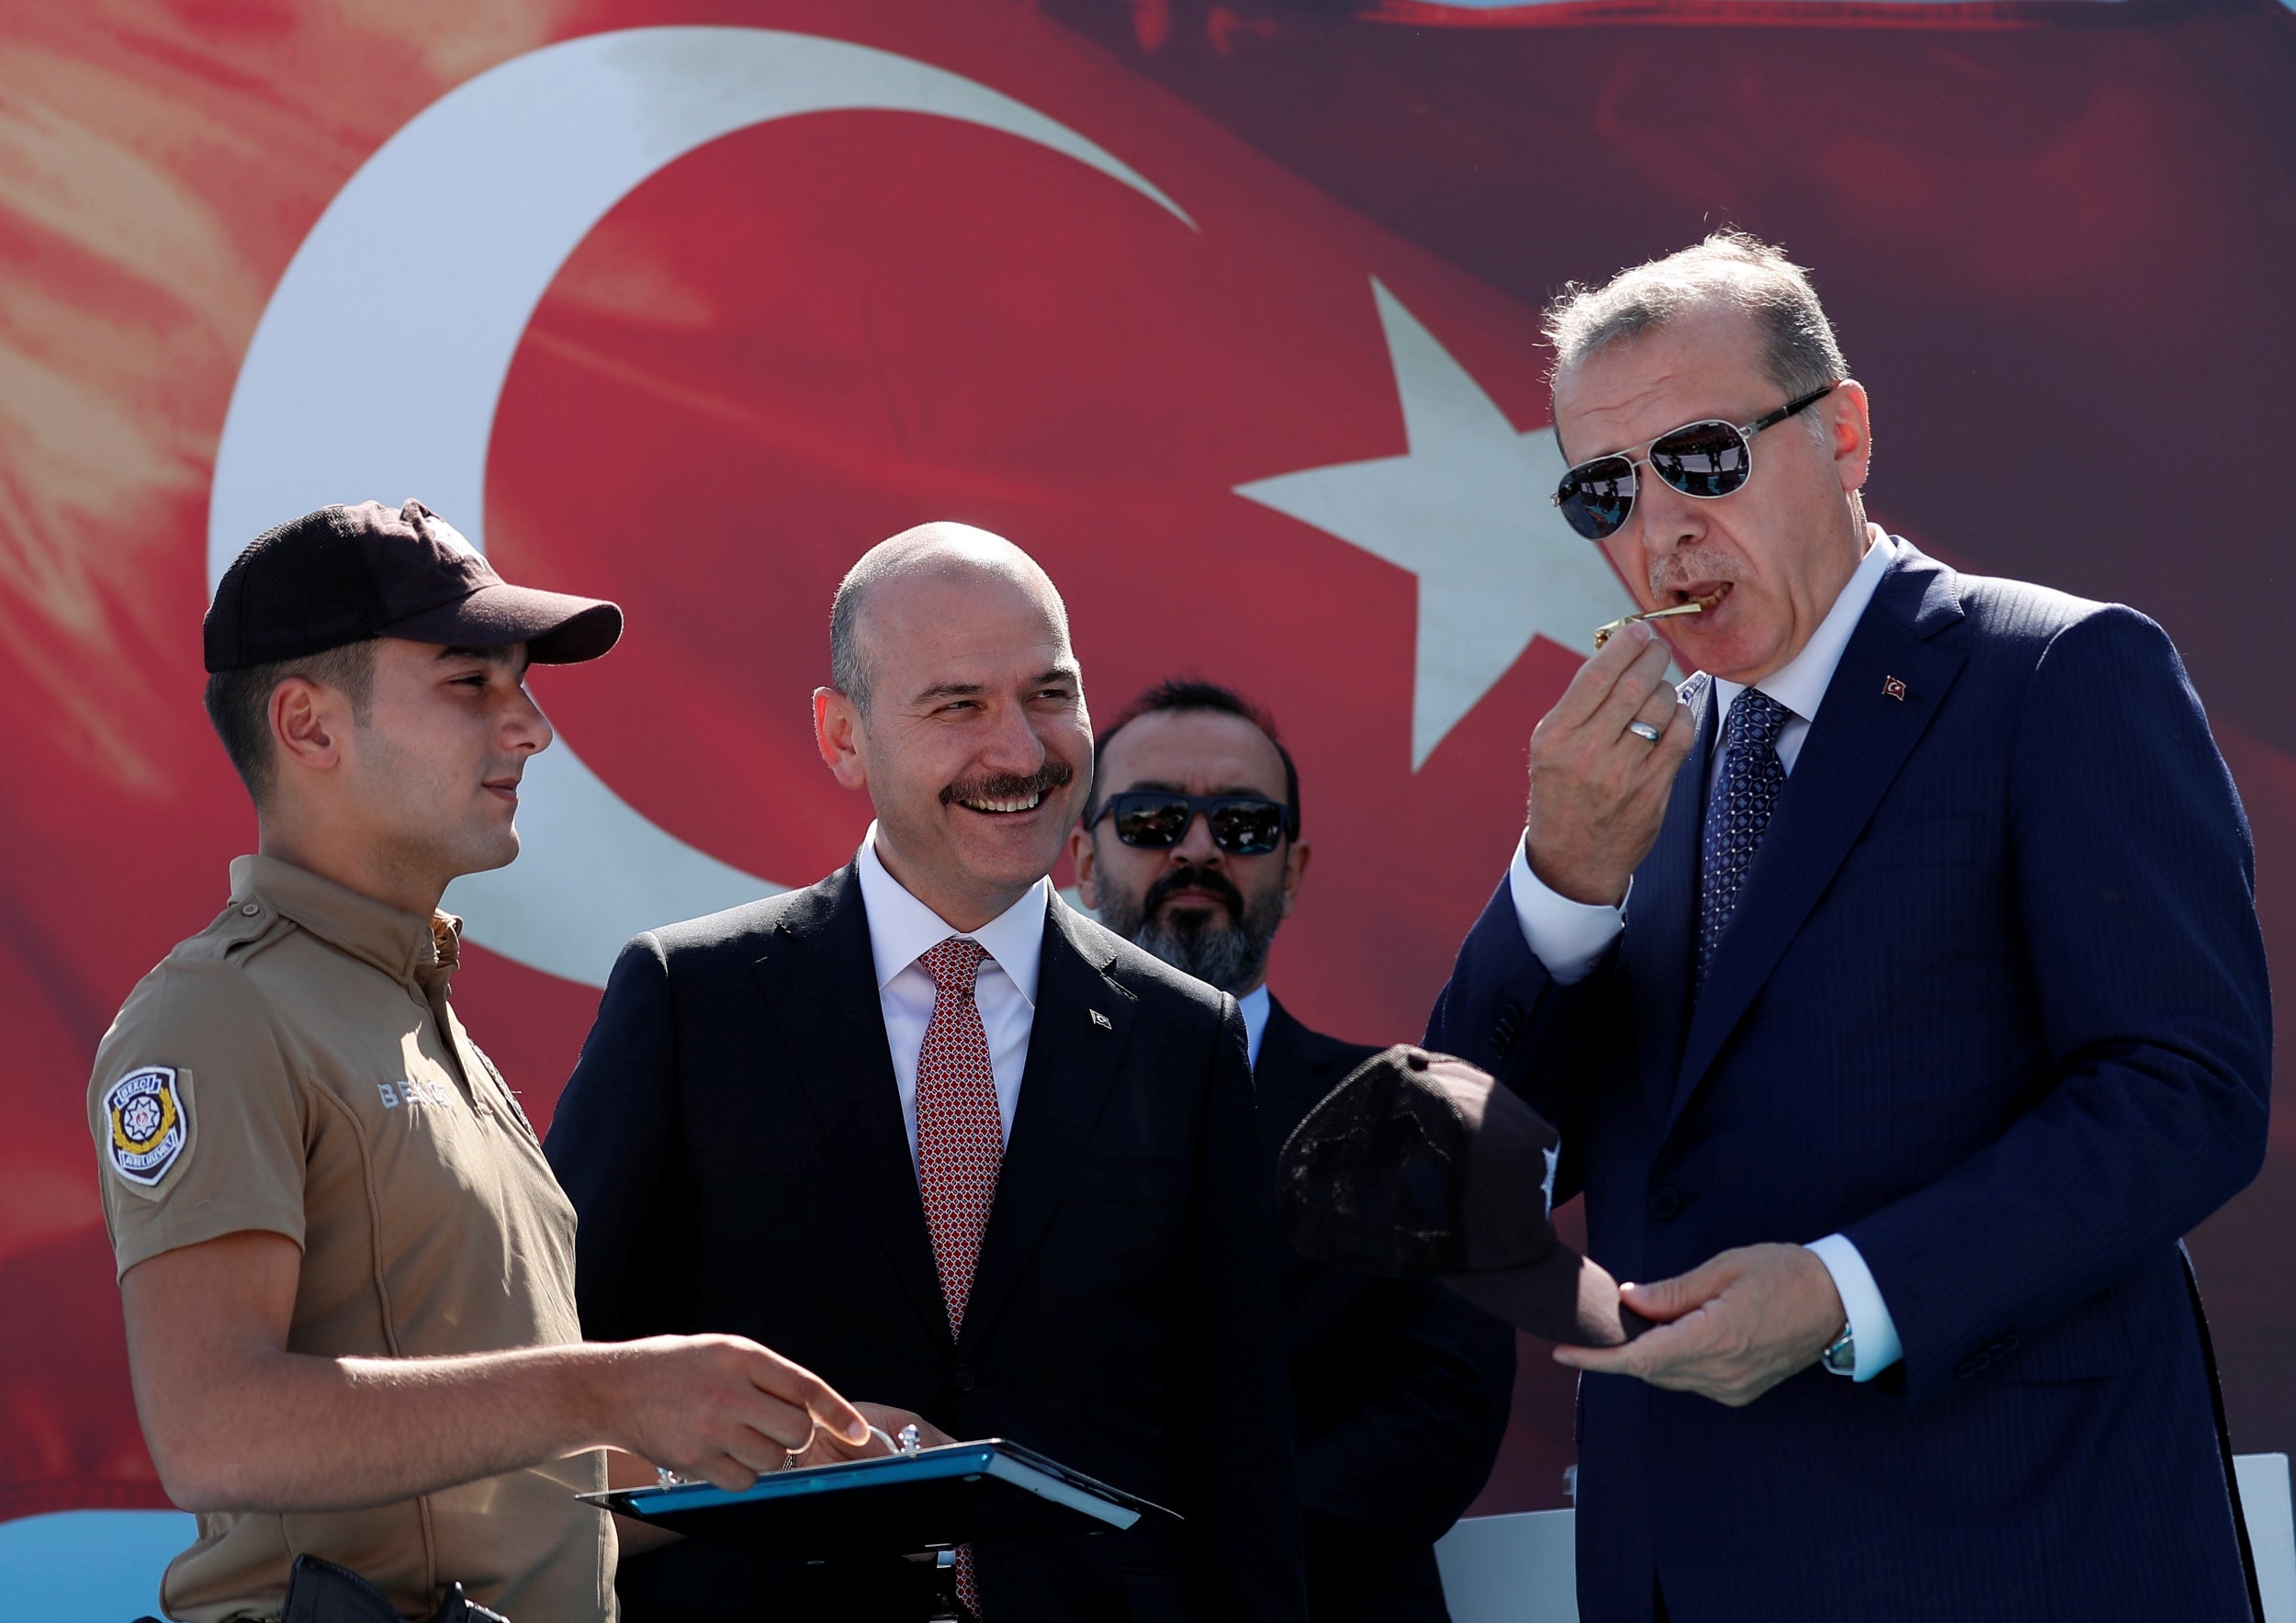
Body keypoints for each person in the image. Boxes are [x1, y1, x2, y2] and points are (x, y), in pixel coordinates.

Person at [1425, 233, 2271, 1621]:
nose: (1659, 530)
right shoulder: (1631, 761)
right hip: (1681, 1567)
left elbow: (2185, 1091)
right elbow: (1469, 1183)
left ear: (1845, 432)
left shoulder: (2055, 671)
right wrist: (1559, 880)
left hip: (2008, 1552)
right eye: (1603, 491)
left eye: (1701, 458)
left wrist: (1846, 1291)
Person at [88, 500, 869, 1623]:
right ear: (307, 727)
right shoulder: (214, 1016)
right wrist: (606, 1387)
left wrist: (816, 1457)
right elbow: (217, 1431)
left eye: (522, 682)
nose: (531, 728)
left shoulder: (418, 1015)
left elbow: (508, 1485)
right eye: (471, 683)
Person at [546, 524, 1307, 1623]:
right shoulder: (692, 998)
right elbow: (562, 1379)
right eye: (958, 706)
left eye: (1050, 695)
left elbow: (1237, 1447)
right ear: (842, 737)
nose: (1019, 750)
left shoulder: (1181, 1037)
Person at [1069, 679, 1515, 1623]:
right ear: (1080, 856)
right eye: (1151, 819)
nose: (1195, 850)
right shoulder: (981, 1118)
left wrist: (1208, 1559)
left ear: (1294, 867)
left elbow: (1443, 1411)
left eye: (1241, 826)